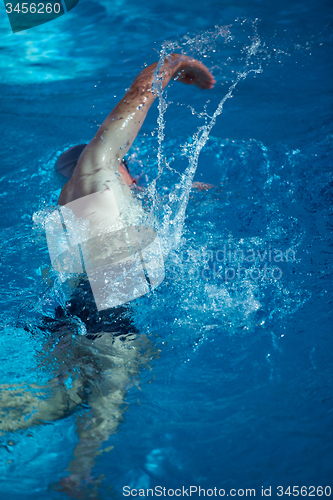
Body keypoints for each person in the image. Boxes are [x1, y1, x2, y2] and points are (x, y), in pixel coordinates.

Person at [1, 54, 216, 498]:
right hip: (105, 310)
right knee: (110, 393)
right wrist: (171, 63)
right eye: (126, 163)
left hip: (75, 306)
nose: (131, 169)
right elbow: (135, 100)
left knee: (69, 397)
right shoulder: (97, 167)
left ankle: (60, 459)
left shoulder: (87, 201)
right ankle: (79, 476)